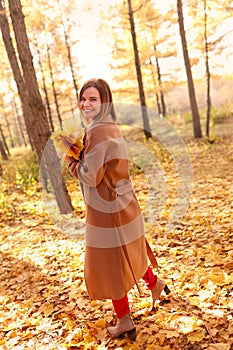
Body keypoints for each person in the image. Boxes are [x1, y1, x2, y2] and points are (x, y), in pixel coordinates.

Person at [65, 78, 170, 340]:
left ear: (104, 102)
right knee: (130, 251)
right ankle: (155, 285)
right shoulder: (110, 126)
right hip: (123, 201)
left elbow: (91, 176)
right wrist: (80, 149)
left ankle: (124, 320)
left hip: (107, 209)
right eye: (84, 98)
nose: (86, 103)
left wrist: (70, 159)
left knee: (110, 263)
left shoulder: (97, 130)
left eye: (93, 99)